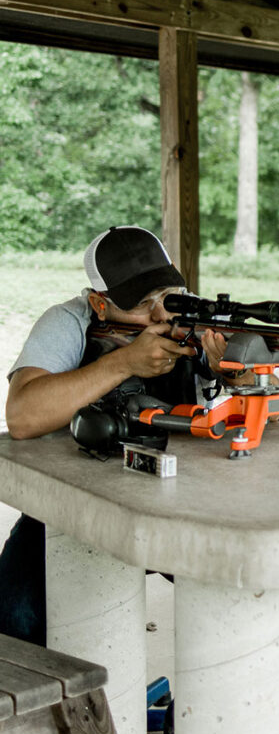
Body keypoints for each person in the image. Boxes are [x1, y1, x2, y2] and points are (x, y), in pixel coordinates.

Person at [1, 226, 240, 648]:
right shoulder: (70, 321)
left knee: (234, 597)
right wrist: (124, 363)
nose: (160, 316)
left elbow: (266, 415)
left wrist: (237, 371)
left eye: (167, 296)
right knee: (15, 617)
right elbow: (22, 416)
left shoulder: (195, 321)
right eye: (140, 305)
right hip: (74, 503)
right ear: (99, 303)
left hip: (184, 499)